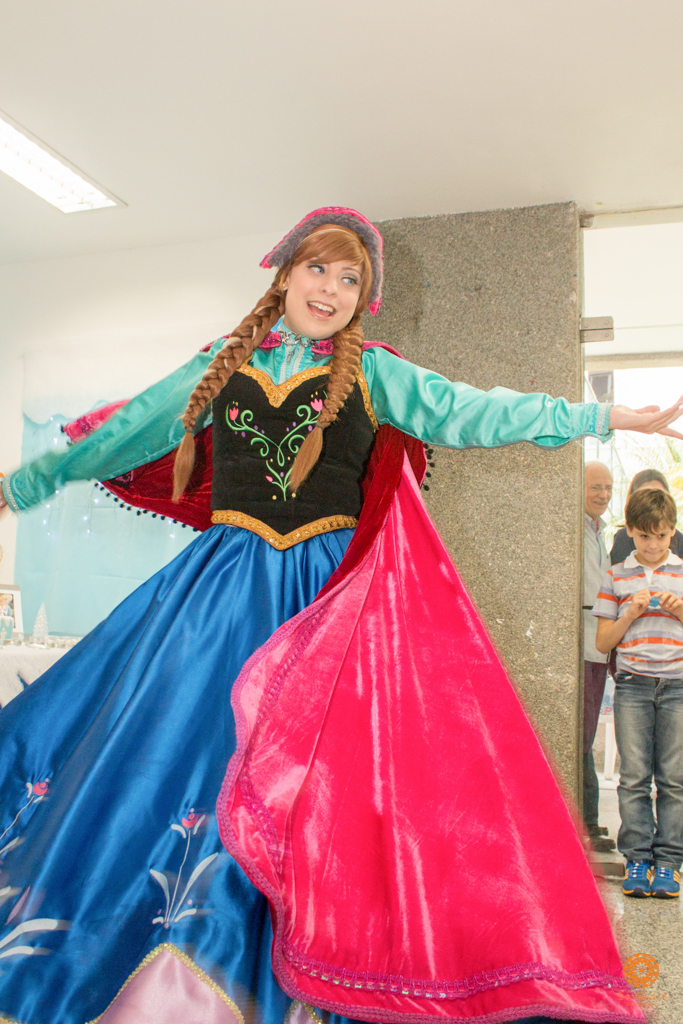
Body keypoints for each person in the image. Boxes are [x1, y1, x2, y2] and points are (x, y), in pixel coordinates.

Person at [1, 206, 677, 1024]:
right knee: (184, 756)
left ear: (364, 298)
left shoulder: (377, 374)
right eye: (317, 269)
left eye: (349, 278)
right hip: (218, 600)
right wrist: (23, 485)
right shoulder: (222, 365)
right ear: (284, 275)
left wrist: (600, 415)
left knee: (329, 789)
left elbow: (479, 410)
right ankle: (183, 954)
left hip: (334, 606)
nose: (329, 287)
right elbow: (124, 430)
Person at [594, 487, 683, 900]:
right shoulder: (616, 576)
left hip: (678, 686)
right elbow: (602, 642)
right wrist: (630, 611)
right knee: (633, 778)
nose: (653, 545)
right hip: (631, 686)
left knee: (674, 779)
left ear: (672, 532)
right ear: (630, 531)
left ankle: (669, 864)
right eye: (645, 536)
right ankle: (637, 861)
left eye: (662, 536)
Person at [583, 461, 616, 852]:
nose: (603, 494)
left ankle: (588, 822)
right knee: (583, 738)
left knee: (586, 737)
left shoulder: (600, 531)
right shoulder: (575, 529)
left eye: (607, 488)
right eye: (596, 487)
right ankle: (585, 823)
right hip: (582, 647)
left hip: (598, 648)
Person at [610, 468, 683, 564]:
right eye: (644, 536)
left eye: (661, 536)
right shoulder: (623, 537)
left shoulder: (678, 538)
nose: (651, 499)